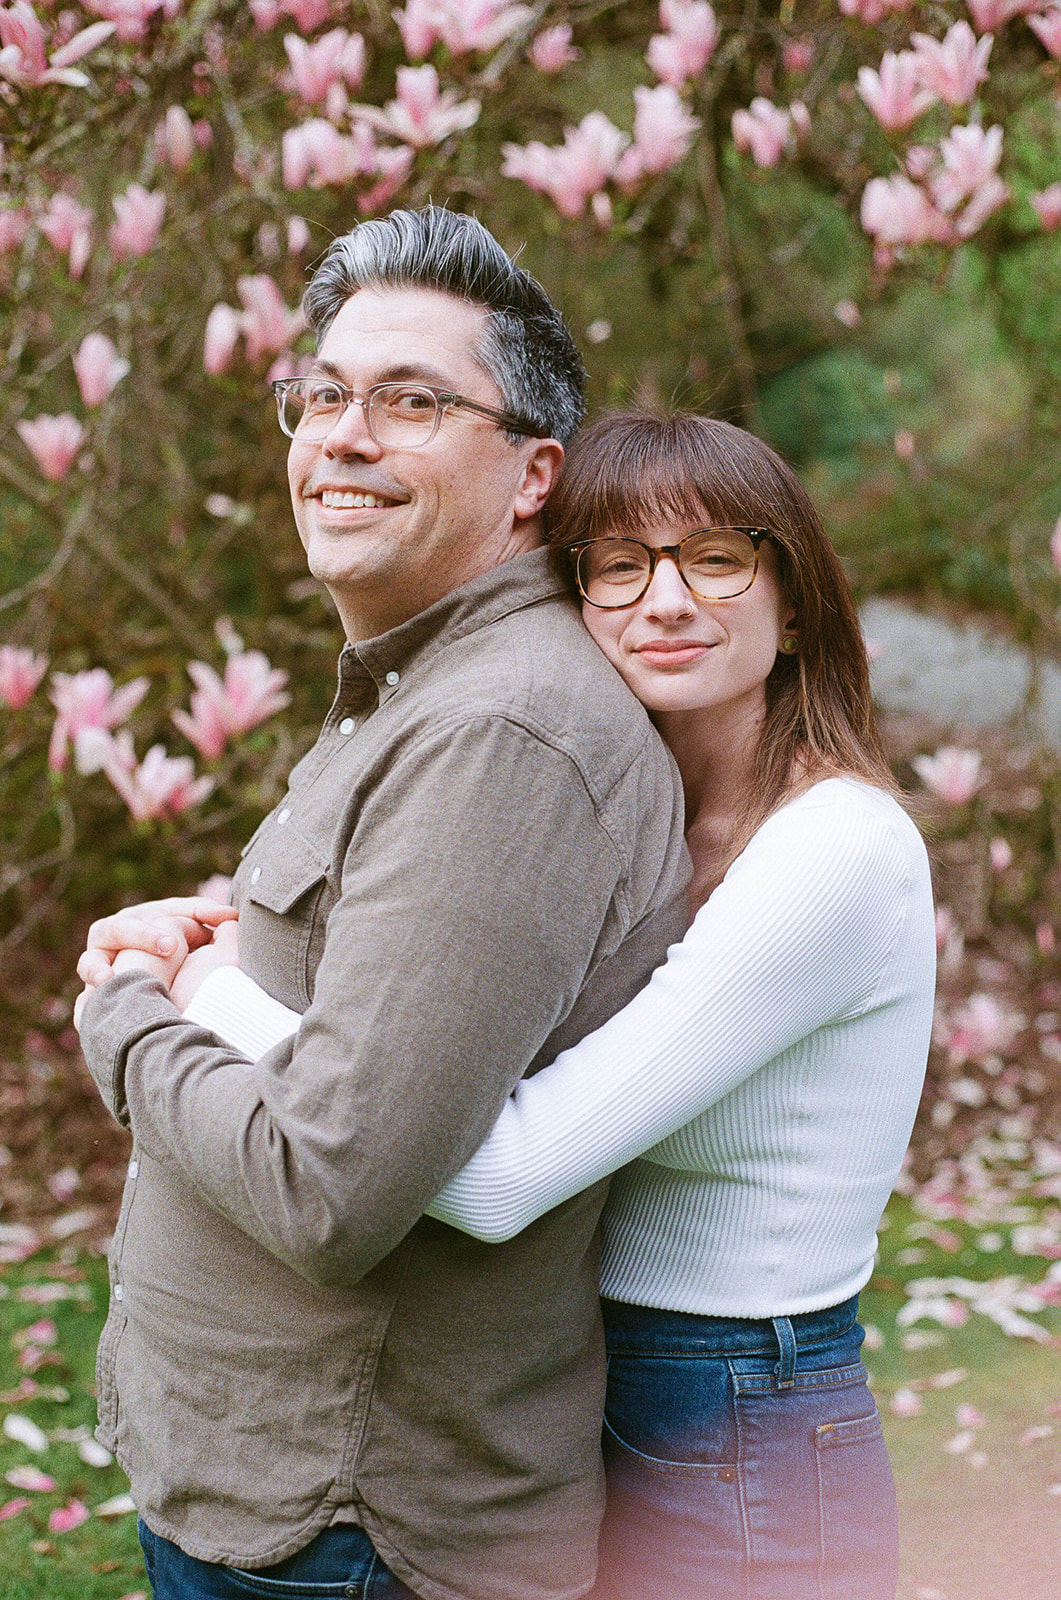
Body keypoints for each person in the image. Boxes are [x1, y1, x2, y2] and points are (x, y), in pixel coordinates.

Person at [171, 411, 937, 1600]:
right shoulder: (637, 821)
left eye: (716, 557)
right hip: (592, 1371)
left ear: (793, 604)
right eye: (618, 565)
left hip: (732, 1407)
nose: (664, 600)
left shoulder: (833, 850)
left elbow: (496, 1176)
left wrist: (203, 995)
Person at [73, 213, 690, 1600]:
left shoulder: (502, 737)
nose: (345, 436)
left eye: (412, 401)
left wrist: (124, 1015)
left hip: (346, 1533)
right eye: (325, 394)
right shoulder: (418, 689)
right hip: (273, 1504)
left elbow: (330, 1183)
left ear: (535, 473)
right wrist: (221, 952)